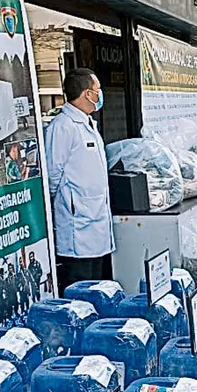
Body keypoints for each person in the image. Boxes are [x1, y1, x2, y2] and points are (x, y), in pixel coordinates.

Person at [45, 68, 115, 290]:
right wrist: (68, 204)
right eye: (98, 90)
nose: (100, 95)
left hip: (97, 224)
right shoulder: (62, 127)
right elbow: (52, 175)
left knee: (101, 291)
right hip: (78, 227)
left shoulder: (88, 123)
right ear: (87, 94)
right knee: (81, 292)